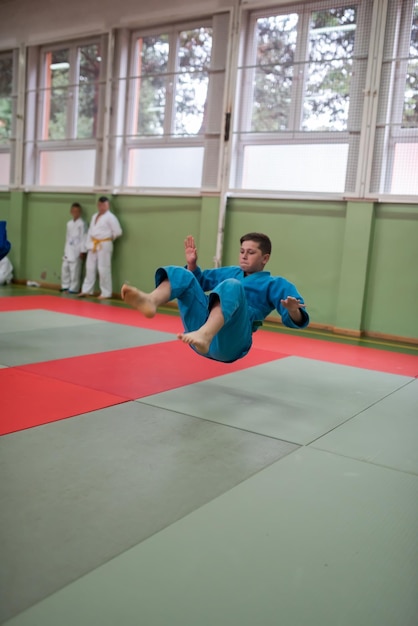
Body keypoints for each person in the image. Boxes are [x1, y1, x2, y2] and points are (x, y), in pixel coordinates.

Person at [121, 233, 309, 363]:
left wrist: (293, 310)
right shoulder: (231, 272)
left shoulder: (275, 284)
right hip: (199, 330)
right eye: (242, 251)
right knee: (183, 273)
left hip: (230, 342)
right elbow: (199, 282)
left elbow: (298, 319)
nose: (244, 256)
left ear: (265, 258)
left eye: (251, 253)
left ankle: (206, 334)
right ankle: (151, 301)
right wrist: (192, 265)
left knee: (232, 286)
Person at [79, 196, 122, 299]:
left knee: (103, 268)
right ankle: (87, 290)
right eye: (100, 205)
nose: (102, 207)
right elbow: (90, 231)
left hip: (104, 245)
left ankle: (106, 293)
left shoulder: (111, 217)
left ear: (108, 206)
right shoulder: (94, 216)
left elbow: (118, 232)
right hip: (93, 244)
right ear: (98, 205)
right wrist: (87, 244)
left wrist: (107, 239)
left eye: (104, 205)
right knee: (89, 268)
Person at [60, 202, 87, 294]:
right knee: (65, 268)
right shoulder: (69, 224)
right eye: (74, 211)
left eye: (77, 211)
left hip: (77, 249)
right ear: (71, 212)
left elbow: (84, 237)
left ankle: (74, 288)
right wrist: (65, 250)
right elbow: (67, 237)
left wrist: (83, 251)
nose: (75, 213)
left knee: (75, 270)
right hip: (68, 248)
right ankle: (65, 286)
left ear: (80, 212)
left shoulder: (82, 224)